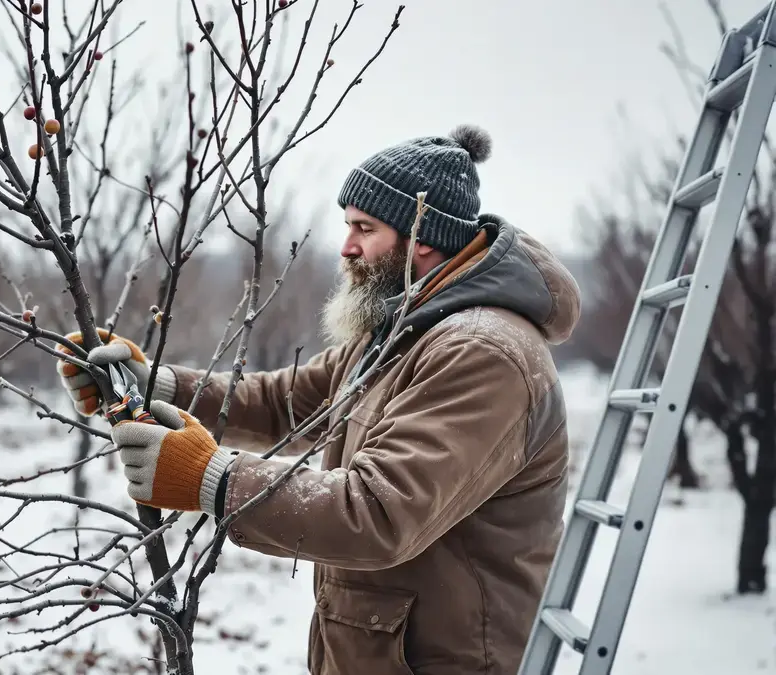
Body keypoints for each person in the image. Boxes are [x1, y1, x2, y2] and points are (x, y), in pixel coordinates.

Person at [55, 124, 582, 675]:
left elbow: (379, 511)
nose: (347, 246)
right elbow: (286, 401)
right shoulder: (403, 329)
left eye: (364, 228)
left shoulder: (482, 354)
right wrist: (156, 383)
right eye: (348, 225)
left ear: (422, 235)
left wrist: (212, 480)